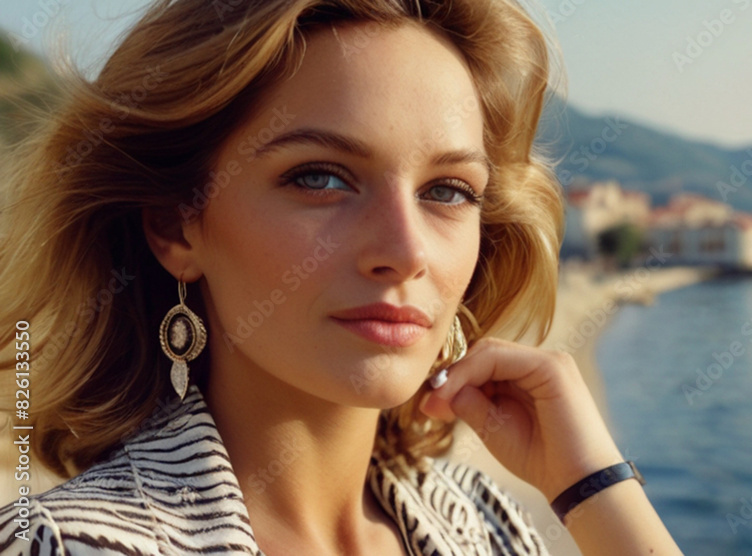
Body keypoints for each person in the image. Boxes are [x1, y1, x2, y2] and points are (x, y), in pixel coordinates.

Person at [0, 0, 684, 554]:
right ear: (177, 228)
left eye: (447, 190)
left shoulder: (487, 524)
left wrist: (595, 489)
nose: (405, 250)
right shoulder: (64, 544)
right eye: (320, 178)